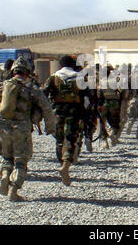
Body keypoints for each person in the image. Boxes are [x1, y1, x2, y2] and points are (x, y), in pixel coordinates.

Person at [0, 57, 55, 201]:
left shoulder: (2, 86)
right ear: (27, 72)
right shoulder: (32, 88)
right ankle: (14, 190)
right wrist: (50, 128)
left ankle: (5, 174)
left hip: (3, 127)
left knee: (6, 157)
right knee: (21, 161)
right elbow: (47, 108)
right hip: (22, 128)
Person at [42, 55, 84, 186]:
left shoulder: (54, 77)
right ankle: (66, 165)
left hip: (57, 113)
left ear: (60, 65)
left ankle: (61, 161)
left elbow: (43, 94)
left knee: (59, 139)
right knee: (70, 139)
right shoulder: (80, 78)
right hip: (75, 113)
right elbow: (88, 98)